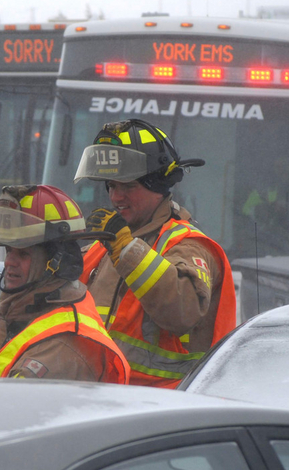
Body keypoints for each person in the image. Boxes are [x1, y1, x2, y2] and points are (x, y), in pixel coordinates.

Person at [74, 118, 236, 388]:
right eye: (111, 185)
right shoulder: (102, 248)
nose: (116, 197)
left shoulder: (189, 245)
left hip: (165, 406)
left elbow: (183, 310)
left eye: (128, 186)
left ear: (158, 184)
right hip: (99, 399)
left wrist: (126, 250)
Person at [0, 184, 129, 383]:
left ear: (57, 262)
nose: (9, 262)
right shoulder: (6, 317)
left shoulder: (66, 341)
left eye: (23, 253)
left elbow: (13, 404)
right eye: (8, 250)